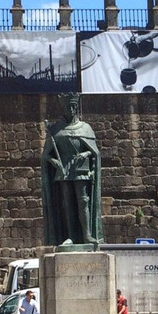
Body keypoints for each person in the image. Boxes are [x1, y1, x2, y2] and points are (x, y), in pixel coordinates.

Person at [41, 93, 103, 248]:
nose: (70, 109)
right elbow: (45, 156)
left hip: (81, 170)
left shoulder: (86, 128)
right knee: (67, 203)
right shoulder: (55, 130)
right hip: (63, 171)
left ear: (76, 107)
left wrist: (85, 153)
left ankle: (87, 235)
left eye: (72, 106)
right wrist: (54, 161)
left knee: (83, 201)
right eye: (67, 107)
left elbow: (95, 152)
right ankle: (70, 237)